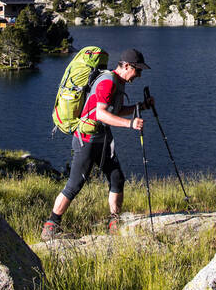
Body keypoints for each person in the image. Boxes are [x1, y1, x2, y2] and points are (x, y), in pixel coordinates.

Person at [42, 49, 153, 239]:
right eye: (138, 70)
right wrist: (130, 124)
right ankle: (51, 227)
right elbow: (99, 114)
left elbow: (115, 110)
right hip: (87, 140)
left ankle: (114, 221)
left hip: (102, 138)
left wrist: (139, 107)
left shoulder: (119, 82)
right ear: (126, 66)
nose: (139, 75)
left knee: (117, 178)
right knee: (74, 185)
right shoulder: (108, 82)